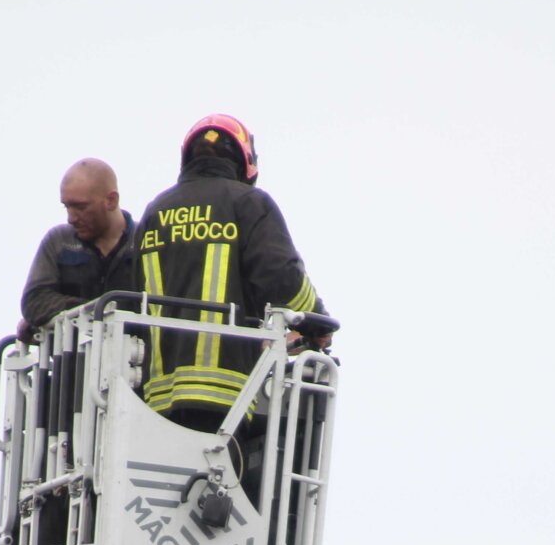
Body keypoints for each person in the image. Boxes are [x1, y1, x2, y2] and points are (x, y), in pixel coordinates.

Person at [132, 114, 331, 430]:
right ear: (245, 161)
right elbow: (282, 280)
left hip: (158, 398)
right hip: (223, 396)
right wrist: (316, 319)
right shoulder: (250, 203)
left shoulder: (155, 211)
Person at [18, 159, 135, 337]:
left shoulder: (147, 241)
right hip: (74, 362)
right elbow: (34, 301)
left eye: (81, 207)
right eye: (67, 206)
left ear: (111, 200)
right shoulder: (58, 241)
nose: (71, 218)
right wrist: (97, 309)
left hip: (134, 360)